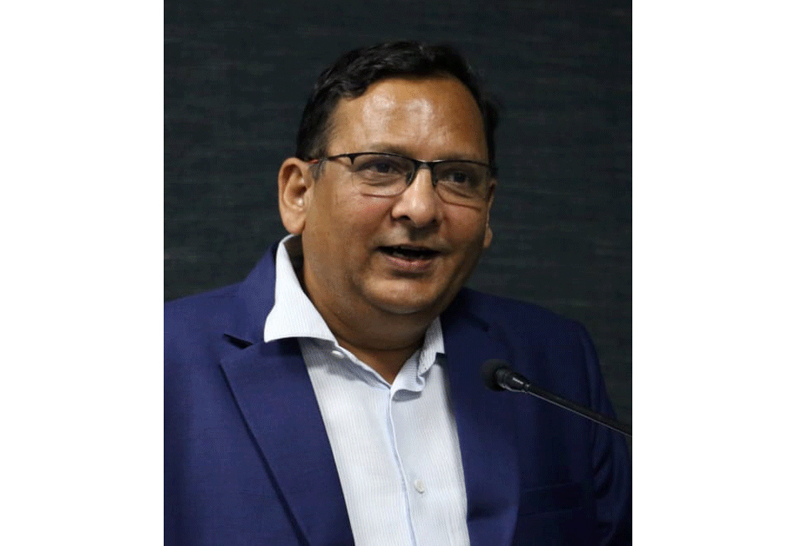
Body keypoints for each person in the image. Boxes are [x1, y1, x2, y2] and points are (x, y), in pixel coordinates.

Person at [165, 41, 631, 546]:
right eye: (381, 167)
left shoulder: (554, 360)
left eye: (458, 177)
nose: (421, 208)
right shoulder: (162, 364)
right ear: (298, 193)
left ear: (488, 208)